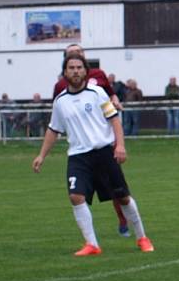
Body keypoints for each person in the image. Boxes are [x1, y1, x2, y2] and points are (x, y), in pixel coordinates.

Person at [33, 53, 154, 255]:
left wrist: (120, 145)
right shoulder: (60, 101)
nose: (75, 71)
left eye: (79, 68)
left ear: (85, 71)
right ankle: (92, 244)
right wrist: (41, 155)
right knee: (75, 196)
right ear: (65, 73)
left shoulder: (98, 93)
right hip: (78, 156)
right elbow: (53, 129)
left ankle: (142, 237)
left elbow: (114, 119)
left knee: (123, 197)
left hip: (104, 153)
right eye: (71, 68)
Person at [51, 44, 128, 236]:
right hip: (80, 150)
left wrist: (115, 100)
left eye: (80, 52)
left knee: (118, 191)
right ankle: (91, 241)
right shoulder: (61, 88)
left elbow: (111, 95)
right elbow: (58, 113)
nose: (77, 56)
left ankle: (123, 220)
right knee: (78, 194)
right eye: (72, 54)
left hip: (103, 142)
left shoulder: (99, 76)